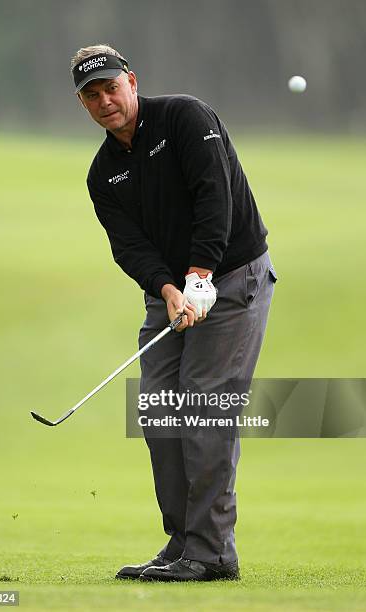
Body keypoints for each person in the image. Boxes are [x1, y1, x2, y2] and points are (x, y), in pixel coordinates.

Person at [71, 43, 277, 582]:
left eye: (111, 87)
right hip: (170, 295)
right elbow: (130, 247)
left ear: (132, 82)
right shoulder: (101, 175)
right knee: (160, 410)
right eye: (92, 95)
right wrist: (167, 289)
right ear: (83, 105)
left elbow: (216, 194)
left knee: (204, 408)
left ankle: (210, 553)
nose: (105, 101)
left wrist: (202, 274)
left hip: (231, 277)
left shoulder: (185, 116)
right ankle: (184, 543)